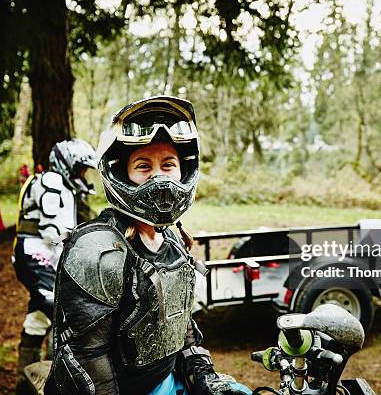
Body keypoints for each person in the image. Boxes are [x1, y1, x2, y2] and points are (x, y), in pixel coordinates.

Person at [44, 96, 250, 395]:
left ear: (184, 170)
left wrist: (203, 374)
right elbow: (86, 355)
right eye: (143, 166)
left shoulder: (174, 240)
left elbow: (181, 325)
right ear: (121, 173)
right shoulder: (98, 250)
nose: (159, 177)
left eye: (168, 164)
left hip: (168, 382)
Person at [13, 139, 97, 391]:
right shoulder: (51, 182)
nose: (82, 175)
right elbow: (52, 232)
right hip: (36, 255)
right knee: (61, 313)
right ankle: (58, 381)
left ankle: (24, 381)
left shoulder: (60, 185)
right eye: (80, 169)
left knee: (38, 317)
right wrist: (80, 243)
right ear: (66, 164)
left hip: (41, 256)